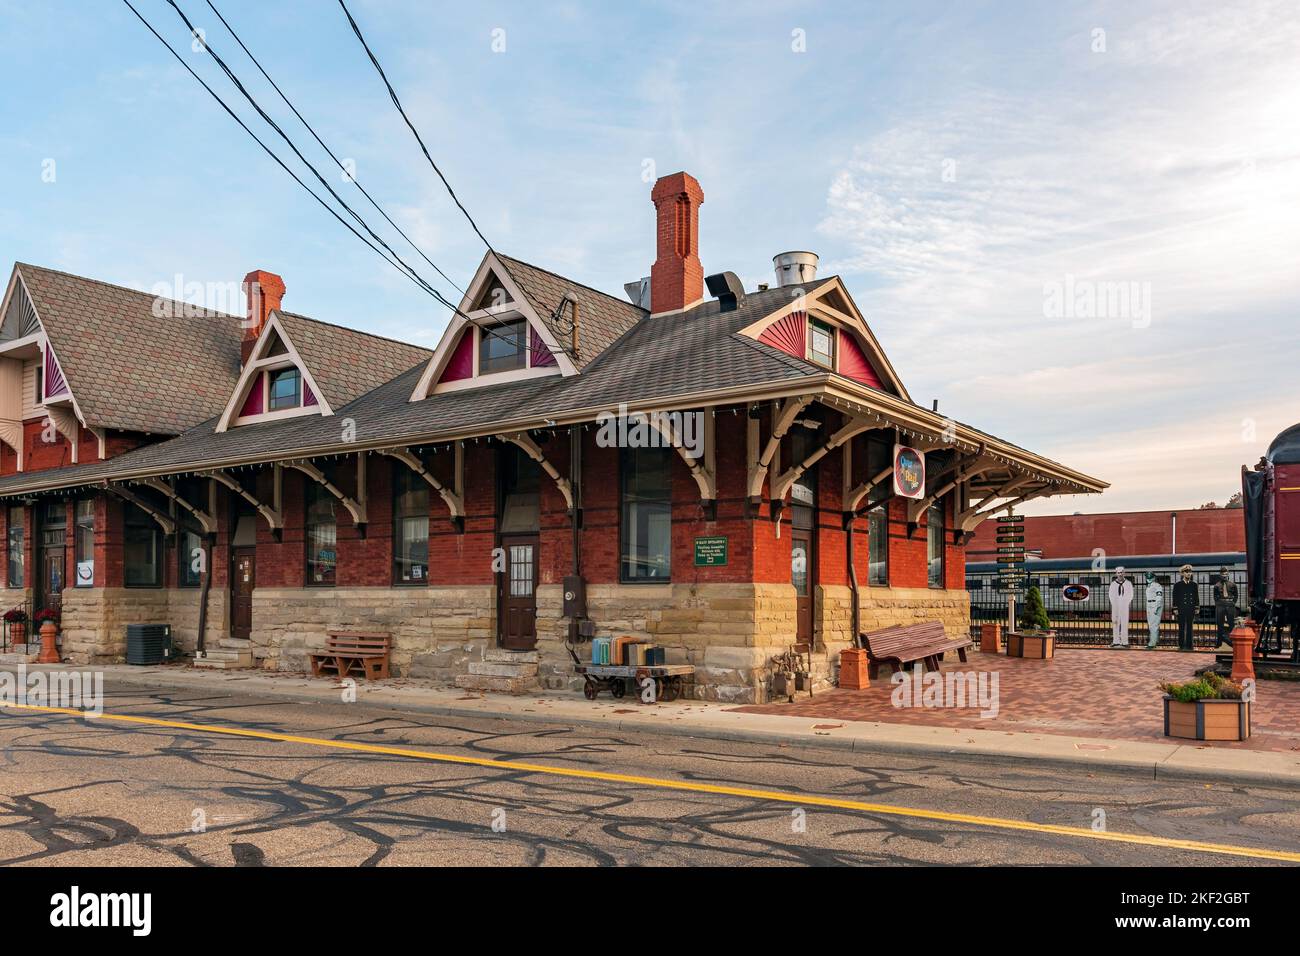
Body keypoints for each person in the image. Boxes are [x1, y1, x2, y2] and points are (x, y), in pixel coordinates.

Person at [1172, 564, 1198, 651]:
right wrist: (1175, 608)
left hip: (1190, 608)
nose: (1188, 574)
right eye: (1186, 572)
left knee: (1190, 627)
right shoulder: (1177, 585)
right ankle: (1182, 645)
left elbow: (1196, 597)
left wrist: (1197, 607)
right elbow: (1175, 597)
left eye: (1190, 572)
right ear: (1182, 573)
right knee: (1181, 627)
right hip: (1181, 609)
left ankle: (1190, 645)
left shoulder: (1194, 584)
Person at [1214, 566, 1239, 647]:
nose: (1224, 575)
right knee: (1219, 624)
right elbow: (1215, 597)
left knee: (1231, 624)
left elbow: (1236, 595)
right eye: (1222, 574)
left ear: (1228, 574)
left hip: (1230, 605)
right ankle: (1219, 642)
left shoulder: (1233, 585)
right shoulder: (1217, 585)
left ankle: (1232, 642)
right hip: (1220, 606)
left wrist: (1233, 603)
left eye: (1226, 573)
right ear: (1220, 575)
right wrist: (1219, 604)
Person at [1108, 566, 1133, 648]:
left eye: (1121, 572)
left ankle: (1125, 642)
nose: (1120, 574)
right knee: (1115, 623)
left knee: (1125, 623)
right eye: (1118, 573)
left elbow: (1131, 595)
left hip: (1125, 606)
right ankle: (1116, 641)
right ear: (1116, 573)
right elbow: (1111, 595)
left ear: (1124, 573)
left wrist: (1126, 603)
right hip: (1115, 606)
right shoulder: (1113, 584)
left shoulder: (1128, 583)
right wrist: (1115, 604)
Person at [1145, 571, 1164, 649]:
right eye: (1147, 577)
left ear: (1153, 578)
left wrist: (1156, 607)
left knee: (1154, 625)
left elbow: (1159, 597)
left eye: (1150, 577)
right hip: (1149, 605)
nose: (1148, 578)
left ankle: (1152, 644)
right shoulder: (1149, 586)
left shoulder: (1157, 586)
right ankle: (1155, 641)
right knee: (1151, 625)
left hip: (1154, 605)